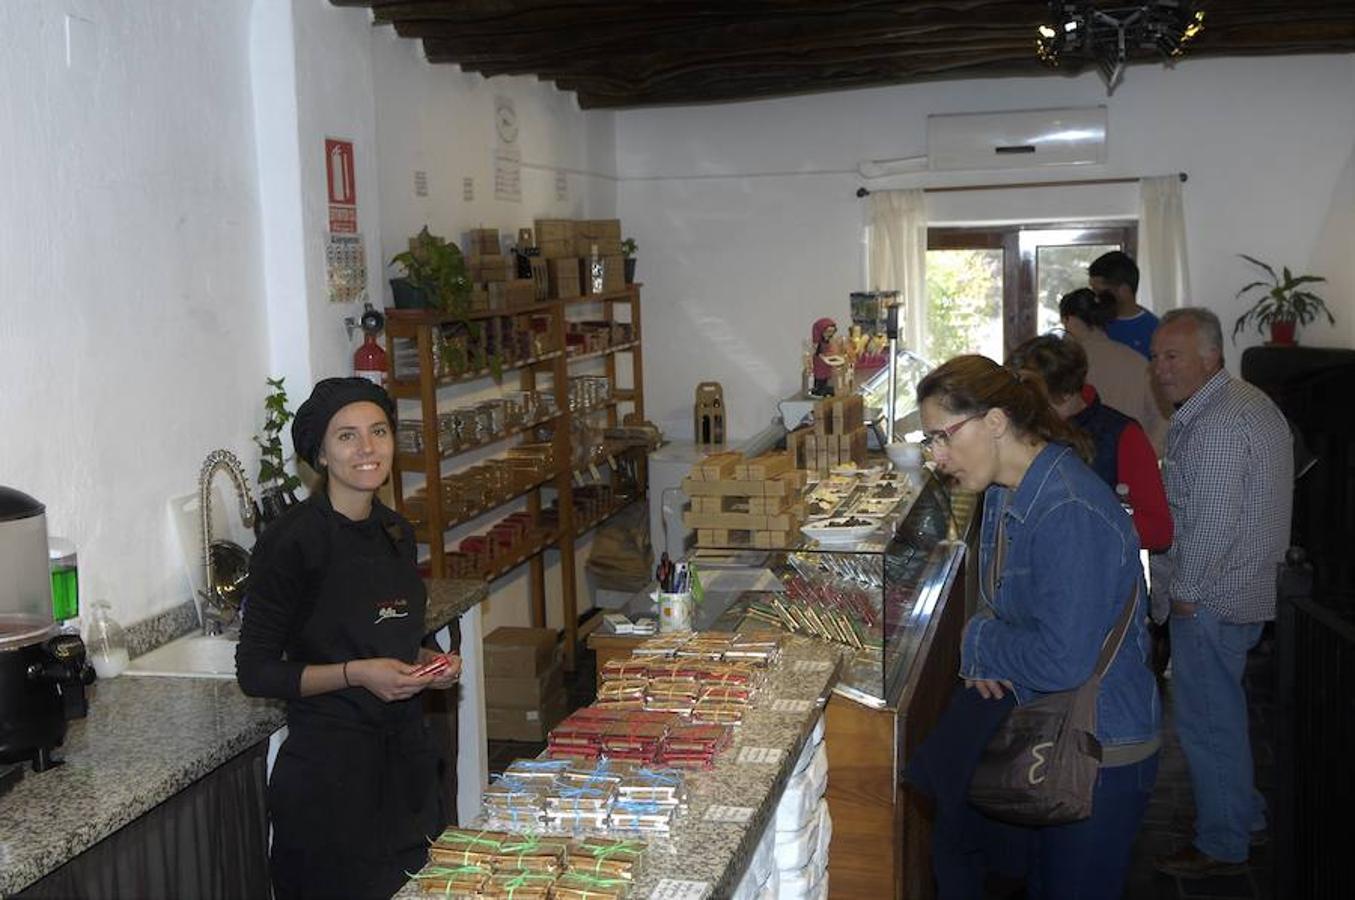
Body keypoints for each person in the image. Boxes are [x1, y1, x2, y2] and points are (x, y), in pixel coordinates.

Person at [909, 355, 1160, 899]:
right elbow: (999, 604)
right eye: (929, 441)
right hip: (1048, 733)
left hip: (1098, 752)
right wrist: (988, 643)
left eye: (944, 436)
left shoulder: (1067, 508)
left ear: (996, 422)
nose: (937, 456)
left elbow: (1061, 661)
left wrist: (978, 643)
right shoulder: (1005, 491)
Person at [236, 377, 460, 900]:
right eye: (347, 436)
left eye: (378, 431)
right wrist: (357, 675)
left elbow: (386, 639)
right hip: (329, 787)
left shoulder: (396, 533)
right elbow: (256, 671)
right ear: (320, 454)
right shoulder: (291, 542)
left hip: (405, 776)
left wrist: (428, 663)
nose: (367, 448)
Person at [1148, 309, 1292, 878]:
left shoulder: (1220, 423)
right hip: (1232, 589)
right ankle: (1243, 817)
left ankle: (1222, 843)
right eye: (1156, 357)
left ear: (1211, 357)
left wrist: (1184, 592)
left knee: (1208, 724)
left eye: (1172, 356)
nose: (1160, 369)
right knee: (1222, 717)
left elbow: (1211, 524)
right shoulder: (1234, 404)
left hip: (1212, 596)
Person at [1008, 334, 1172, 553]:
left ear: (1066, 393)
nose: (1024, 408)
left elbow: (1158, 530)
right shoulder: (1022, 427)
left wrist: (1082, 525)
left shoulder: (1122, 435)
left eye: (1034, 397)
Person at [1060, 286, 1170, 452]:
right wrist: (1145, 455)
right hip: (1131, 456)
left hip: (1076, 459)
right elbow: (1164, 418)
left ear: (1070, 320)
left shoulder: (1064, 364)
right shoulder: (1138, 361)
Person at [1089, 251, 1159, 359]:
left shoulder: (1155, 330)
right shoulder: (1091, 324)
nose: (1096, 298)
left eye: (1100, 292)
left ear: (1124, 290)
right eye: (1093, 290)